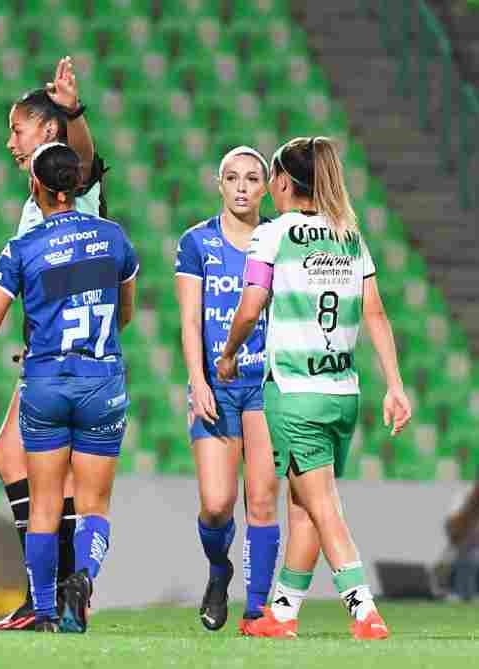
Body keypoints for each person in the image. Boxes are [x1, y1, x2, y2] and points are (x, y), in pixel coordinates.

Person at [216, 136, 412, 640]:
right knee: (304, 502)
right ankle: (281, 613)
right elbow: (376, 313)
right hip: (343, 392)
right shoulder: (350, 236)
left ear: (281, 181)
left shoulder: (273, 234)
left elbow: (253, 302)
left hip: (295, 389)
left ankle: (362, 607)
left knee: (321, 505)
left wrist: (230, 350)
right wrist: (395, 384)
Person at [0, 143, 139, 633]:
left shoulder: (24, 246)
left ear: (37, 186)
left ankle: (47, 611)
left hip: (46, 381)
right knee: (93, 505)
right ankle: (84, 578)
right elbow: (125, 310)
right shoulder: (114, 238)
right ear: (73, 184)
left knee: (45, 504)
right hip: (101, 381)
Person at [0, 56, 107, 631]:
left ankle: (53, 592)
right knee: (22, 465)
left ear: (47, 131)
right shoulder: (34, 200)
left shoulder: (71, 186)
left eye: (17, 129)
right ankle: (58, 594)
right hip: (48, 353)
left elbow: (84, 157)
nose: (10, 141)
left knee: (16, 460)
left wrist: (72, 110)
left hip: (65, 365)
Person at [174, 147, 282, 633]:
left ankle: (256, 610)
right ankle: (220, 572)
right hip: (216, 386)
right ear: (219, 184)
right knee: (217, 505)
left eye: (252, 178)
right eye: (232, 178)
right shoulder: (197, 242)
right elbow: (189, 321)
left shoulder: (280, 240)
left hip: (265, 385)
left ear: (266, 187)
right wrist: (197, 381)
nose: (242, 187)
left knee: (261, 499)